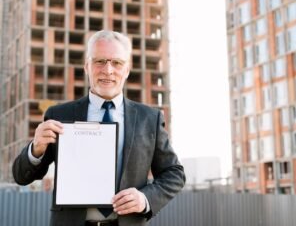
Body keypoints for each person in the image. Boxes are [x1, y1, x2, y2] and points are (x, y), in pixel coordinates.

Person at [12, 30, 185, 226]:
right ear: (87, 66)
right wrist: (36, 149)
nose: (108, 70)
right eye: (99, 61)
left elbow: (174, 173)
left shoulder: (149, 119)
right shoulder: (59, 115)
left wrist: (145, 199)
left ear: (127, 69)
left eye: (117, 63)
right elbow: (21, 176)